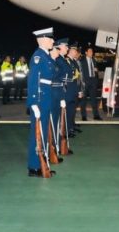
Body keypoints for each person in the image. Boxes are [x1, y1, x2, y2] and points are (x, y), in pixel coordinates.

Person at [27, 27, 56, 177]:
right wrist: (33, 102)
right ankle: (34, 166)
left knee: (44, 131)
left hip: (46, 96)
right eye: (50, 38)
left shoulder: (45, 55)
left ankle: (41, 162)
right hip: (39, 99)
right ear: (43, 39)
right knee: (37, 132)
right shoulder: (38, 56)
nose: (53, 41)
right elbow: (33, 80)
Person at [63, 44, 82, 145]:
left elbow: (77, 76)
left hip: (74, 89)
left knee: (72, 110)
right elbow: (70, 76)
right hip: (69, 89)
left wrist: (79, 90)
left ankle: (71, 127)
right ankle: (67, 129)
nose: (76, 52)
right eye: (74, 51)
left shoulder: (73, 61)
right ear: (70, 51)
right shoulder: (67, 61)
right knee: (68, 111)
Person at [79, 47, 103, 120]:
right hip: (85, 81)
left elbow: (95, 70)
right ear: (86, 52)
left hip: (93, 81)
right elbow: (80, 72)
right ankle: (84, 116)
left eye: (92, 51)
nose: (91, 53)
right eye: (90, 51)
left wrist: (96, 71)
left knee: (94, 99)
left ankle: (96, 115)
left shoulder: (94, 60)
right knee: (83, 100)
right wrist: (81, 82)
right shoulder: (82, 61)